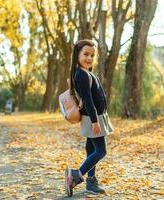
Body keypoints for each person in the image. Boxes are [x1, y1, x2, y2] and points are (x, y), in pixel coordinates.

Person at [65, 39, 113, 197]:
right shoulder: (82, 75)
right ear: (77, 54)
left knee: (91, 149)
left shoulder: (85, 73)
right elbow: (89, 100)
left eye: (92, 55)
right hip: (94, 117)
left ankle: (91, 182)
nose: (89, 58)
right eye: (85, 54)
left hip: (95, 116)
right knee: (101, 151)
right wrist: (94, 121)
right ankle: (76, 175)